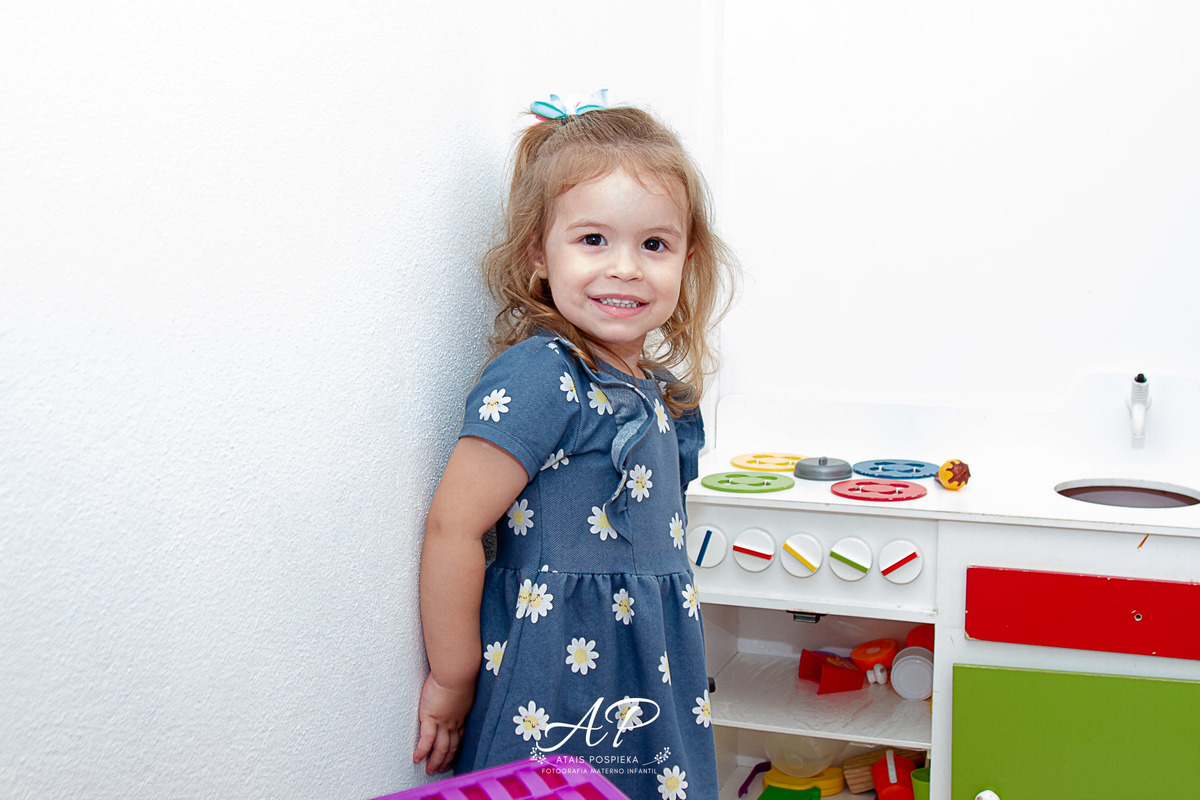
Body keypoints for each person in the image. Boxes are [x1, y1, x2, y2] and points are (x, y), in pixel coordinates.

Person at [413, 94, 738, 800]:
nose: (625, 267)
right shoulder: (544, 376)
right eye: (593, 239)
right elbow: (453, 528)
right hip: (557, 683)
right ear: (539, 251)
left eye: (654, 245)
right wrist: (453, 676)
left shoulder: (658, 392)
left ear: (686, 259)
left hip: (648, 679)